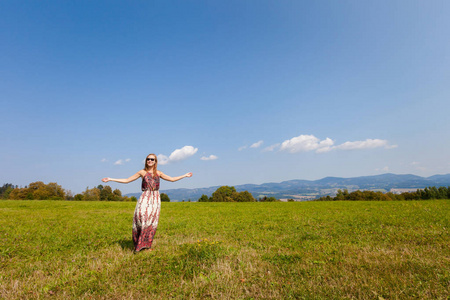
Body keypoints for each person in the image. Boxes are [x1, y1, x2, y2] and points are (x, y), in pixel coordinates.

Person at [102, 153, 192, 252]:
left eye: (152, 159)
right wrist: (110, 179)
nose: (150, 161)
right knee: (141, 217)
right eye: (148, 159)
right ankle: (138, 243)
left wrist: (185, 175)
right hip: (145, 197)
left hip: (155, 198)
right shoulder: (142, 172)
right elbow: (127, 180)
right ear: (146, 161)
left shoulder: (159, 173)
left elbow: (172, 179)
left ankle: (146, 245)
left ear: (155, 162)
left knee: (151, 221)